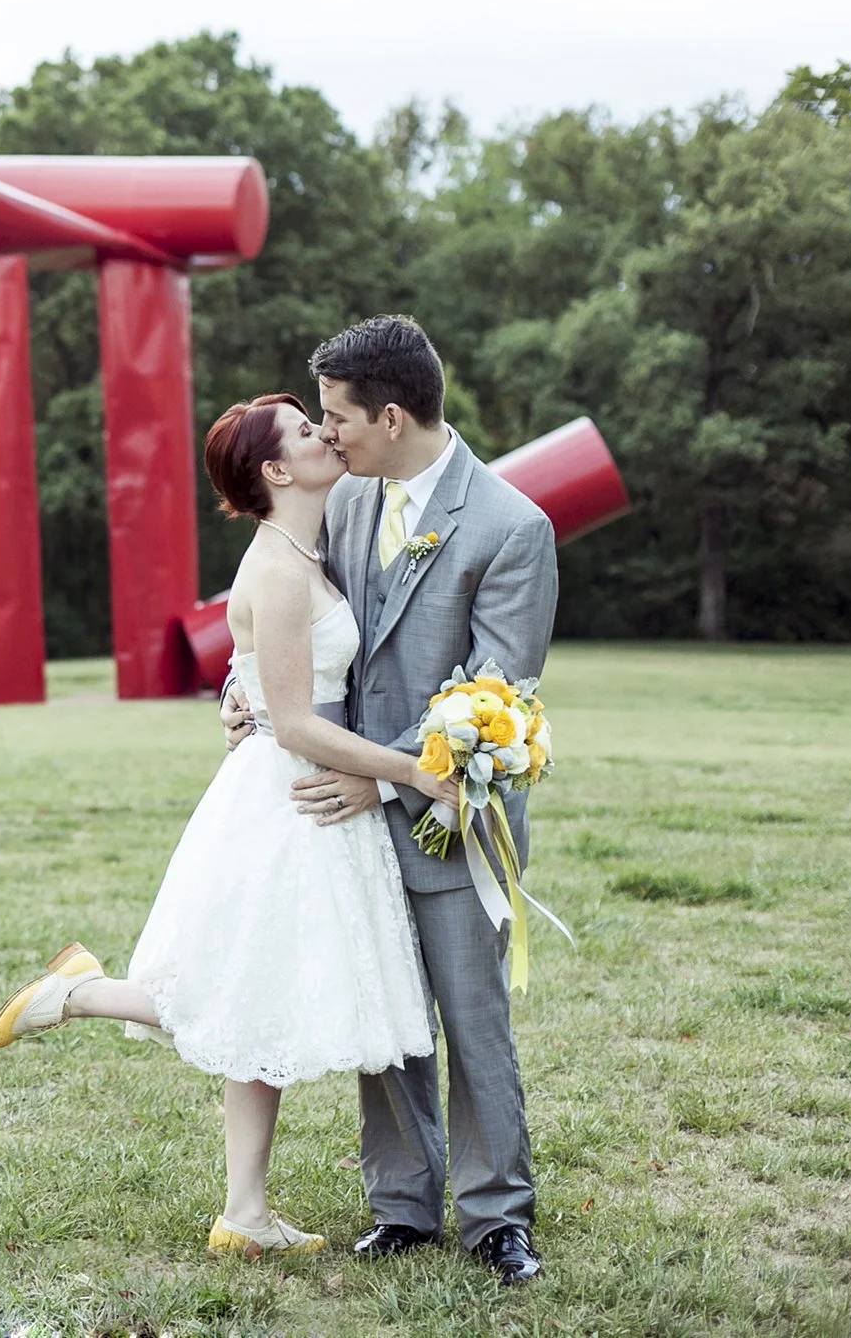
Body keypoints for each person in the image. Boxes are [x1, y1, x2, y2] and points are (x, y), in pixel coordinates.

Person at [0, 389, 455, 1259]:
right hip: (289, 798)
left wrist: (241, 700)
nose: (327, 435)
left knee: (258, 1000)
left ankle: (243, 1210)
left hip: (294, 785)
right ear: (277, 469)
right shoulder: (276, 569)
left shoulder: (303, 547)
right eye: (310, 432)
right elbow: (299, 719)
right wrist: (409, 768)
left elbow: (270, 689)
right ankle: (77, 994)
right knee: (244, 994)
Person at [221, 316, 556, 1286]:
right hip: (347, 815)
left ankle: (497, 1218)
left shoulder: (509, 527)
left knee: (469, 1022)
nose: (325, 436)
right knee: (387, 1022)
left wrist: (384, 773)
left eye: (335, 417)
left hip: (444, 815)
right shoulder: (348, 501)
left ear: (392, 415)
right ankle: (402, 1205)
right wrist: (241, 691)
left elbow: (495, 694)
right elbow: (288, 614)